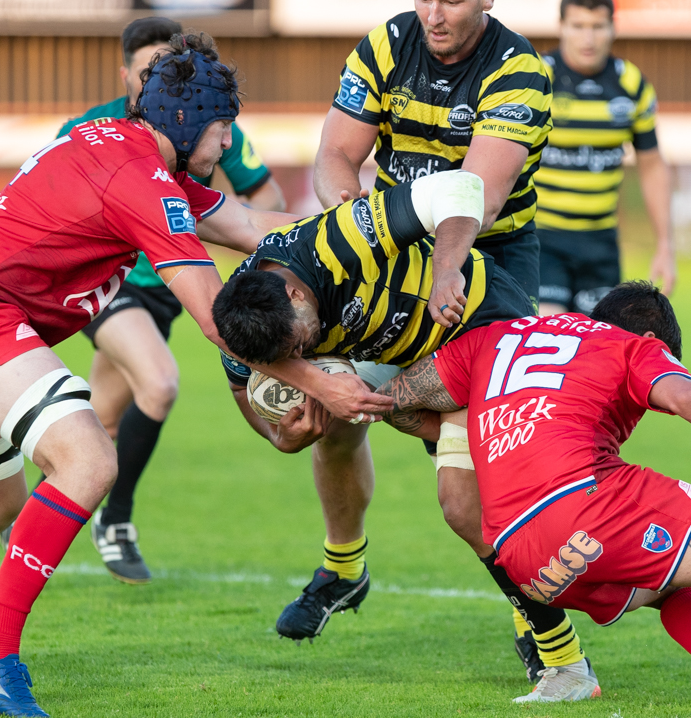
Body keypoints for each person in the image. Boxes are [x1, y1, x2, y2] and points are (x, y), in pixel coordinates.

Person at [0, 33, 300, 716]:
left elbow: (254, 222)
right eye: (224, 132)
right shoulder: (141, 179)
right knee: (88, 460)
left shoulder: (125, 147)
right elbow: (214, 316)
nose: (227, 148)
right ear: (193, 123)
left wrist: (370, 228)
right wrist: (324, 384)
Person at [289, 0, 571, 680]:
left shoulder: (519, 73)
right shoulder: (385, 47)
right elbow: (336, 155)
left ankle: (535, 618)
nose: (433, 16)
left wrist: (445, 267)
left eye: (450, 1)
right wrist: (351, 220)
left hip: (488, 267)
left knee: (471, 482)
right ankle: (344, 568)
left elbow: (471, 196)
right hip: (391, 251)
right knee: (334, 409)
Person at [377, 281, 691, 712]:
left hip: (524, 563)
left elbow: (394, 401)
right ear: (655, 341)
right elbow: (689, 399)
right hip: (586, 505)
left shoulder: (494, 337)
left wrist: (469, 434)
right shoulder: (630, 346)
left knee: (674, 583)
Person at [213, 170, 599, 699]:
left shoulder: (333, 242)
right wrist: (285, 438)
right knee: (340, 426)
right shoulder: (245, 326)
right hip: (399, 356)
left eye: (299, 343)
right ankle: (346, 571)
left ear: (295, 290)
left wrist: (446, 270)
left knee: (473, 504)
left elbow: (459, 188)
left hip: (483, 329)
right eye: (286, 360)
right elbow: (246, 398)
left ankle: (576, 641)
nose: (297, 359)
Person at [9, 16, 286, 585]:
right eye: (146, 74)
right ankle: (115, 521)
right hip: (109, 284)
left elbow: (261, 202)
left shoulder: (206, 129)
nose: (157, 85)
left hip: (167, 292)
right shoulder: (92, 128)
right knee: (159, 382)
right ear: (126, 74)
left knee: (104, 419)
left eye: (168, 72)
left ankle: (38, 518)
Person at [535, 0, 675, 316]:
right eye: (578, 26)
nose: (588, 38)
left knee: (597, 348)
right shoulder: (537, 78)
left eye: (597, 27)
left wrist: (665, 245)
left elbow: (652, 165)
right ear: (561, 27)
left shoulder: (630, 85)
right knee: (550, 329)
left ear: (613, 28)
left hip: (600, 244)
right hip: (542, 239)